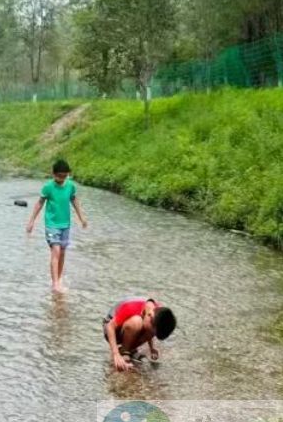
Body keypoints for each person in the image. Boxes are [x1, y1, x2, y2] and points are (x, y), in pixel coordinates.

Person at [26, 159, 88, 294]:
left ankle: (59, 279)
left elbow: (74, 200)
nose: (61, 179)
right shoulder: (48, 187)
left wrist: (81, 217)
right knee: (56, 251)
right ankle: (55, 284)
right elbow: (39, 203)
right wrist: (31, 221)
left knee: (63, 252)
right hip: (51, 224)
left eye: (64, 176)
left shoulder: (70, 186)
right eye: (59, 176)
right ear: (53, 174)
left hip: (65, 224)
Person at [102, 297, 177, 372]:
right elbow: (110, 326)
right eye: (153, 333)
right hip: (111, 327)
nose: (152, 335)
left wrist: (152, 348)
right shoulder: (131, 308)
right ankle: (124, 352)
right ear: (150, 316)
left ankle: (130, 350)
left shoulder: (158, 314)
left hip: (128, 326)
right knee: (137, 322)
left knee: (146, 327)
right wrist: (116, 354)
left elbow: (151, 329)